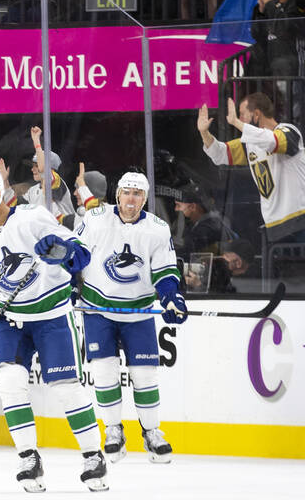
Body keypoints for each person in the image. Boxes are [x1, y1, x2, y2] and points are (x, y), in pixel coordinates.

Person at [0, 165, 108, 492]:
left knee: (66, 386)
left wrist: (61, 253)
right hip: (8, 319)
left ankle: (93, 456)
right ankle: (28, 457)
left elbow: (80, 256)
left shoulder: (32, 218)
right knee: (9, 380)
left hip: (52, 314)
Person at [76, 170, 183, 465]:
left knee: (145, 374)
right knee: (104, 372)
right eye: (126, 192)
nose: (131, 199)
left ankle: (151, 432)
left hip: (138, 311)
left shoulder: (157, 229)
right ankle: (113, 430)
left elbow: (164, 271)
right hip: (98, 309)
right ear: (117, 194)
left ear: (145, 199)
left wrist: (171, 297)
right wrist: (71, 283)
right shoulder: (96, 219)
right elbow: (76, 256)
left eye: (137, 194)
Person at [198, 93, 305, 252]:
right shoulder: (249, 144)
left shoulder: (289, 131)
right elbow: (220, 154)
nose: (239, 118)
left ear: (257, 114)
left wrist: (237, 123)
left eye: (242, 114)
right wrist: (204, 133)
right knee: (284, 277)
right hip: (276, 227)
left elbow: (273, 142)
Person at [25, 126, 75, 221]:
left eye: (36, 165)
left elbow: (44, 170)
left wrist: (37, 142)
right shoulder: (33, 190)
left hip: (65, 232)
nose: (33, 169)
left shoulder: (57, 182)